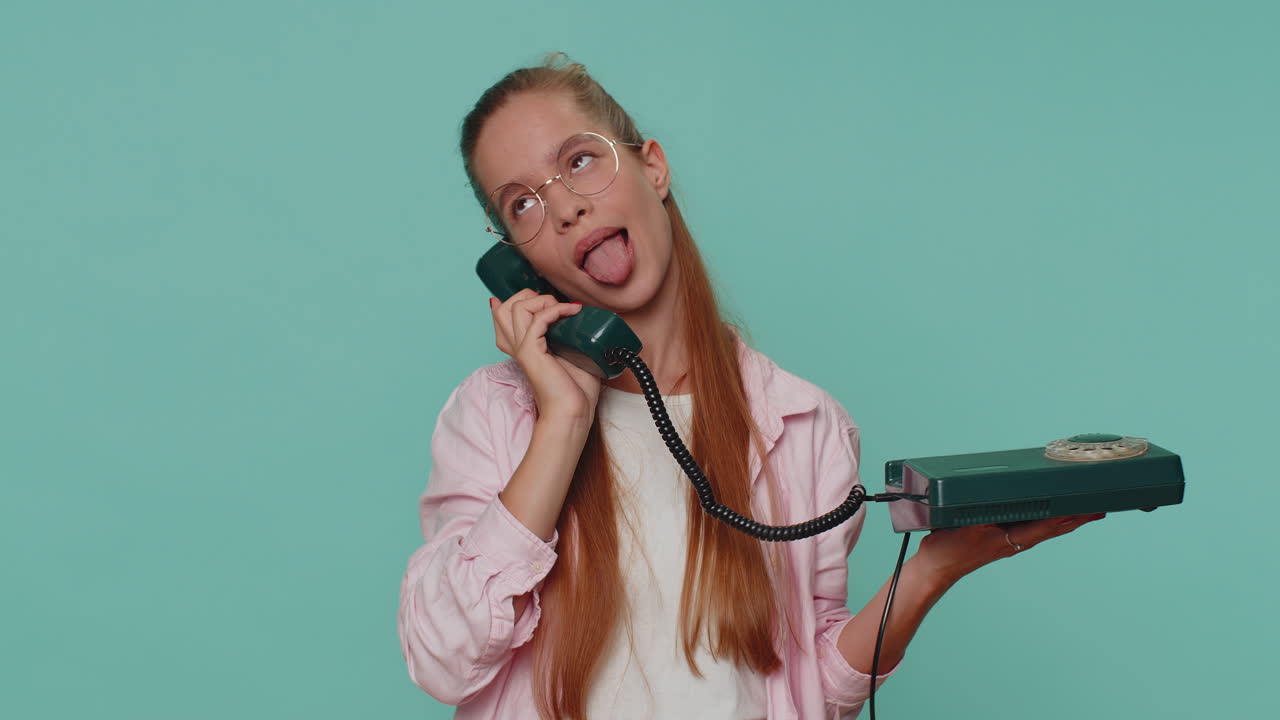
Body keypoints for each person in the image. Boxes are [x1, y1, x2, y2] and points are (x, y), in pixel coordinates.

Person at [397, 54, 1105, 720]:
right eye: (522, 205)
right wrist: (562, 420)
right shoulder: (492, 417)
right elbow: (442, 660)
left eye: (580, 161)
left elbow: (811, 688)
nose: (565, 210)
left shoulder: (805, 423)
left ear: (653, 166)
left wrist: (926, 577)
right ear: (512, 261)